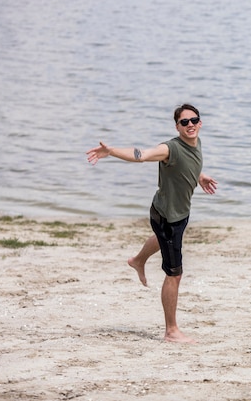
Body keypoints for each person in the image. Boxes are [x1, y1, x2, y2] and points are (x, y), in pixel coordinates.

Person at [86, 103, 218, 344]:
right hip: (168, 217)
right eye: (184, 122)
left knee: (162, 239)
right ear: (177, 126)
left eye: (194, 120)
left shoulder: (196, 142)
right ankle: (171, 331)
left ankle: (137, 260)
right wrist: (112, 151)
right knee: (174, 273)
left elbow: (187, 164)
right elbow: (142, 155)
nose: (190, 125)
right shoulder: (169, 149)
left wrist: (199, 176)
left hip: (175, 213)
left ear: (200, 122)